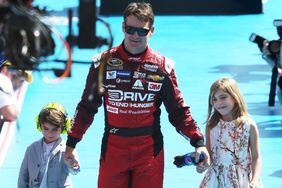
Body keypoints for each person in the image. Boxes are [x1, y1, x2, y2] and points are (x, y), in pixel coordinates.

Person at [65, 2, 210, 187]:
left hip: (148, 152)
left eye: (141, 31)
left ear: (152, 31)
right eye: (130, 29)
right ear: (123, 27)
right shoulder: (102, 63)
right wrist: (71, 144)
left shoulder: (162, 67)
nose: (135, 35)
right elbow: (86, 107)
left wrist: (198, 142)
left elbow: (178, 111)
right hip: (113, 149)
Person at [200, 77, 263, 188]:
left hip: (241, 180)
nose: (219, 103)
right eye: (214, 99)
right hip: (216, 180)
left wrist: (255, 179)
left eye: (223, 97)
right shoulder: (211, 126)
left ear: (235, 97)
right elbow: (209, 155)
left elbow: (256, 157)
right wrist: (202, 164)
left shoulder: (249, 125)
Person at [18, 102, 80, 188]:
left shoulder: (67, 148)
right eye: (46, 128)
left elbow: (75, 170)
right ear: (40, 126)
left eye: (55, 129)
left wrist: (73, 165)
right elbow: (23, 175)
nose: (49, 133)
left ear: (64, 128)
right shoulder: (31, 149)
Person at [0, 56, 32, 122]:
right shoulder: (3, 80)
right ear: (5, 69)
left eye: (22, 79)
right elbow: (13, 114)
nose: (18, 82)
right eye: (17, 75)